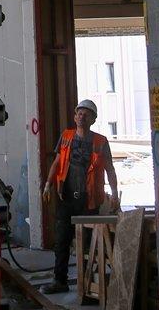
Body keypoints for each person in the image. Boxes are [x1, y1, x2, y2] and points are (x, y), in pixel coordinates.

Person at [41, 99, 119, 294]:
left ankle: (89, 284)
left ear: (93, 119)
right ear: (75, 117)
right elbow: (57, 163)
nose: (81, 116)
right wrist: (48, 184)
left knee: (88, 243)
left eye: (86, 114)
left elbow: (110, 169)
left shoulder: (100, 142)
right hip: (66, 197)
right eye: (79, 113)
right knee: (62, 241)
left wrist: (115, 193)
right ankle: (60, 281)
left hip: (89, 199)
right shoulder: (66, 137)